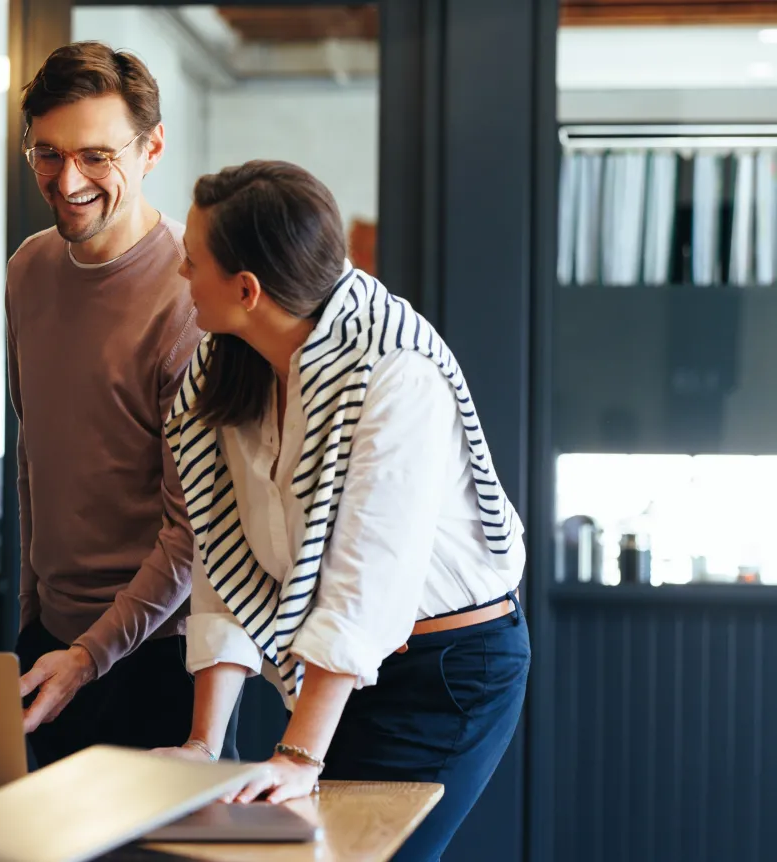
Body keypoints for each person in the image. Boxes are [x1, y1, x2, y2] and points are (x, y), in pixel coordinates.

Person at [157, 160, 529, 861]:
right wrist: (203, 744)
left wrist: (299, 754)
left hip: (448, 672)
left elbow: (368, 583)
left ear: (247, 289)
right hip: (343, 673)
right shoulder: (229, 363)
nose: (181, 273)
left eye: (193, 261)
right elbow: (224, 550)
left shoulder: (395, 370)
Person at [7, 41, 233, 767]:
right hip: (48, 647)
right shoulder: (28, 268)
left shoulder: (193, 298)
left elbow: (193, 530)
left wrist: (90, 655)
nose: (68, 180)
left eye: (96, 156)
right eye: (47, 154)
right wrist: (34, 623)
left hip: (159, 656)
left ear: (152, 148)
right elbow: (34, 457)